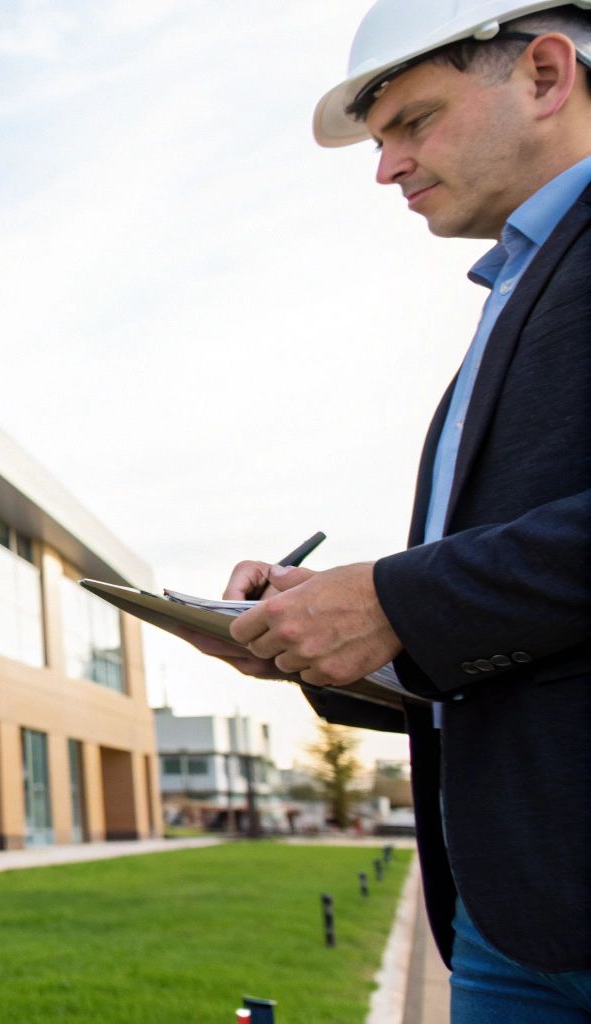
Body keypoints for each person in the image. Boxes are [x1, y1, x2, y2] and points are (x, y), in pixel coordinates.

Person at [193, 0, 591, 1016]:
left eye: (411, 121)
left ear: (545, 75)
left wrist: (395, 600)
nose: (385, 169)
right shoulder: (512, 290)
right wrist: (325, 628)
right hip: (516, 910)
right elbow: (514, 608)